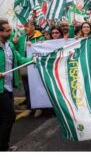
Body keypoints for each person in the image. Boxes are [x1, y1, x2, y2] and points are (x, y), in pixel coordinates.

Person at [0, 19, 35, 151]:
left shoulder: (10, 45)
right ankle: (3, 148)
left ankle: (3, 146)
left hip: (8, 88)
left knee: (5, 117)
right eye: (7, 30)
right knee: (9, 116)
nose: (10, 32)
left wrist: (32, 59)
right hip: (0, 89)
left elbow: (19, 59)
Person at [13, 20, 45, 118]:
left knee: (37, 87)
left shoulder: (41, 37)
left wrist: (34, 45)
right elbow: (15, 51)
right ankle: (30, 107)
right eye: (24, 26)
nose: (25, 28)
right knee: (27, 88)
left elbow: (42, 49)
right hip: (24, 66)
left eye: (27, 26)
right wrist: (14, 43)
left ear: (33, 28)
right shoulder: (22, 38)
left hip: (35, 66)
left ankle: (40, 107)